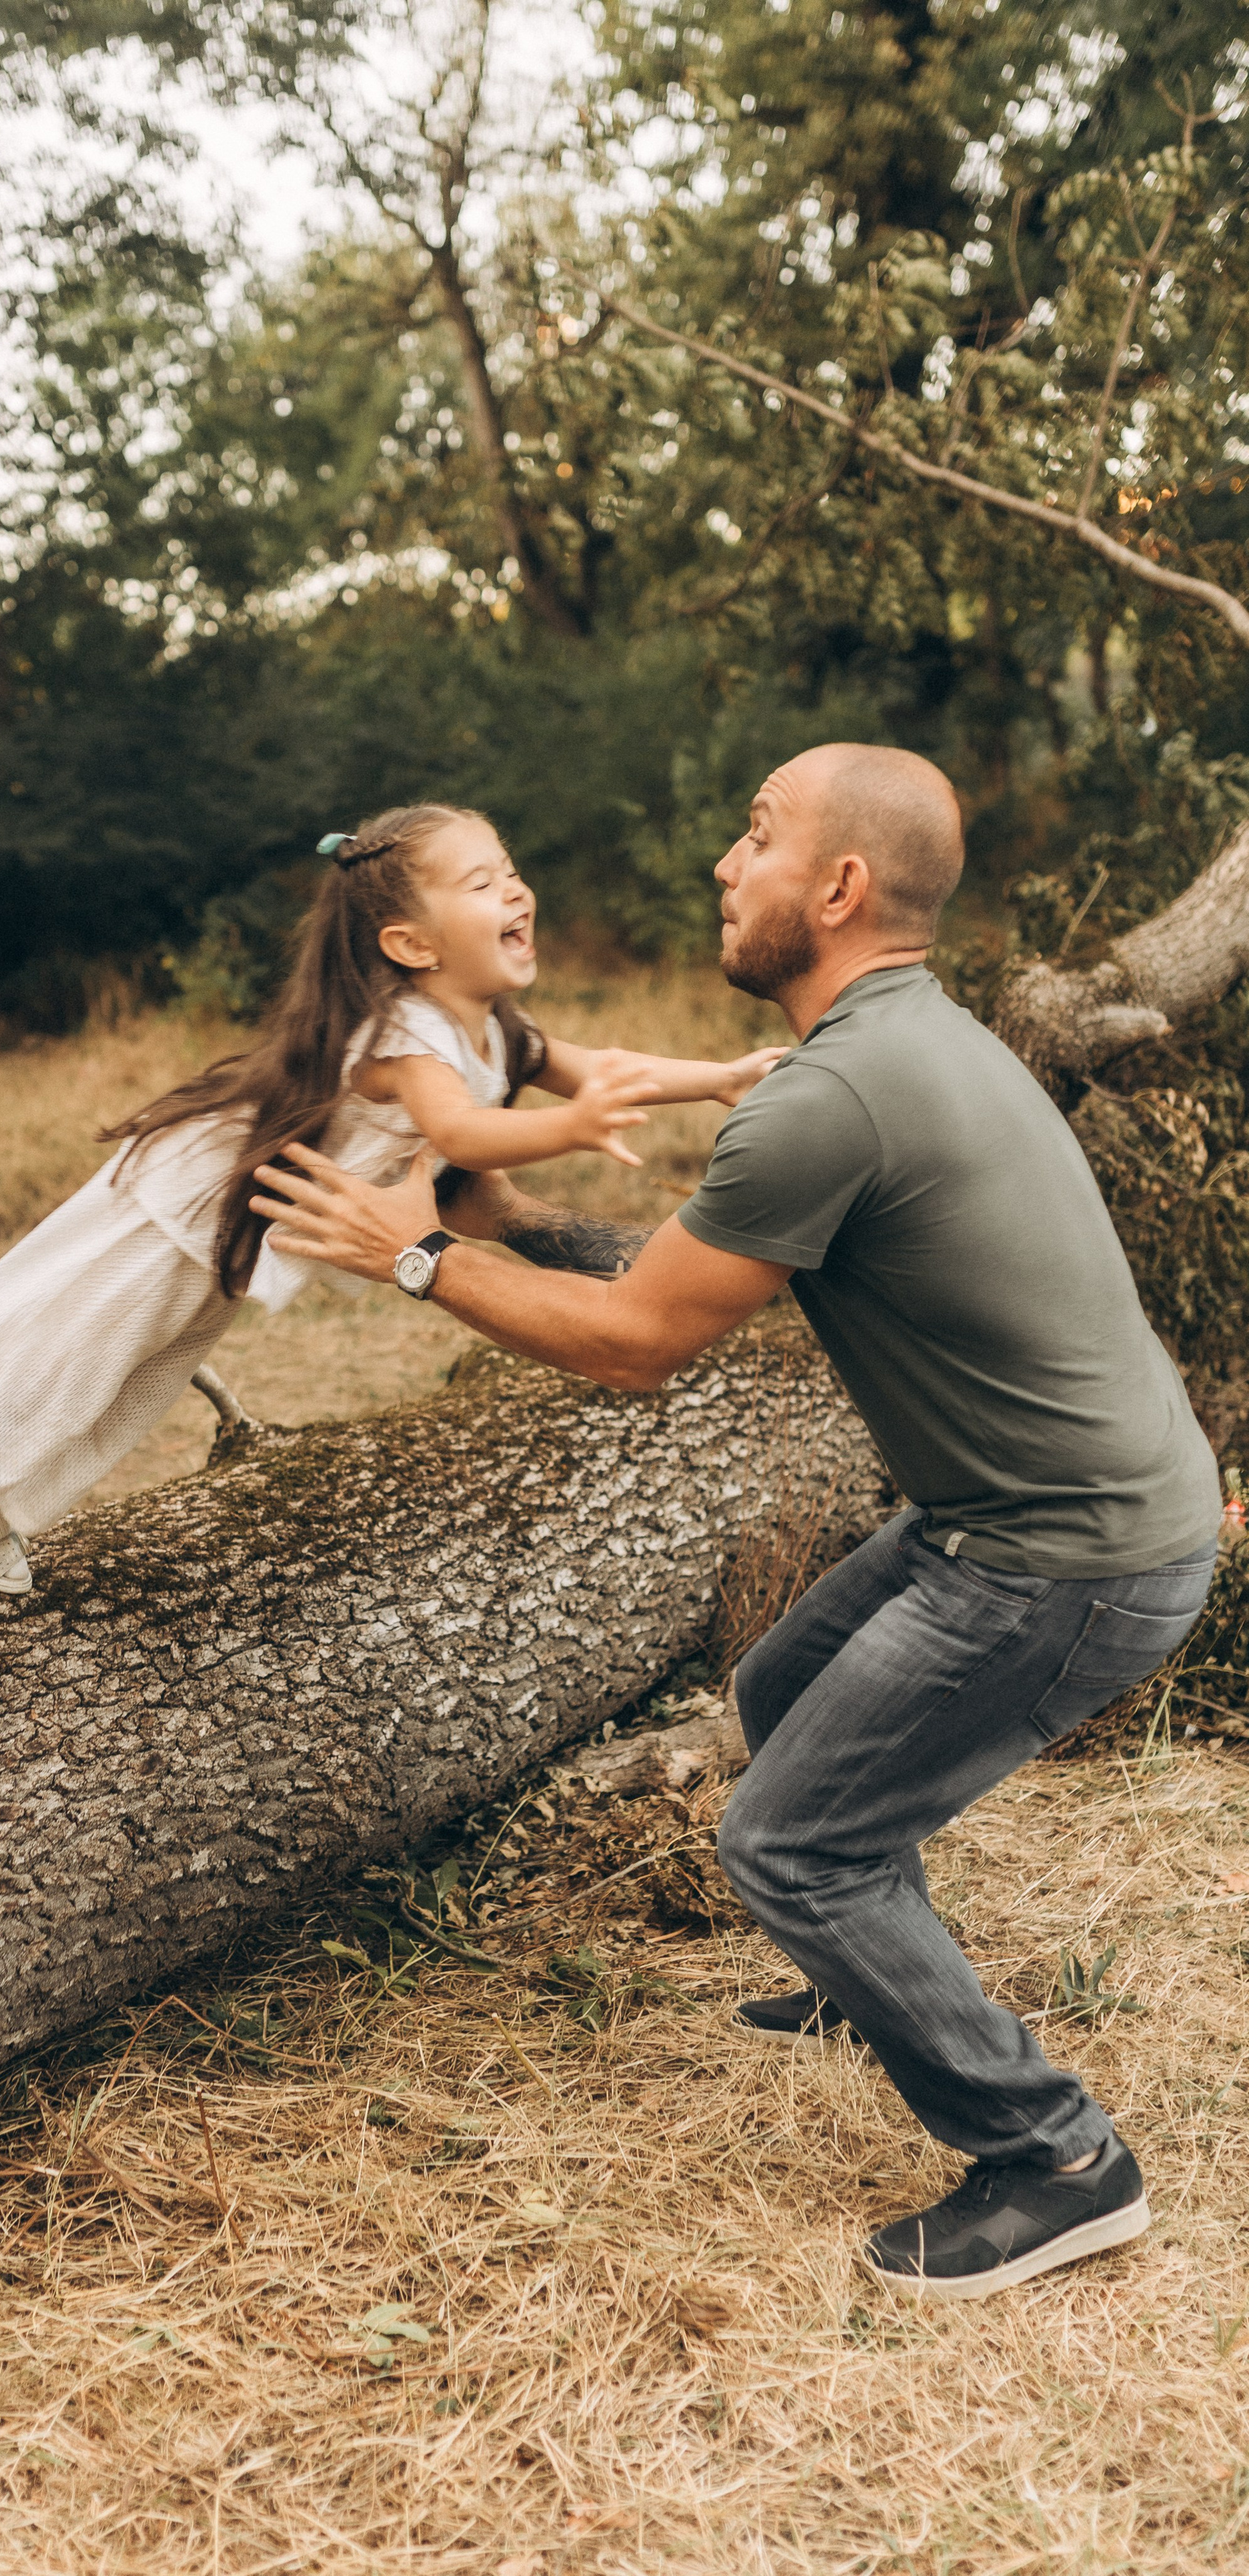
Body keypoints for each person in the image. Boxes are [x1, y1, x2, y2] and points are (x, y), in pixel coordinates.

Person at [249, 743, 1221, 2302]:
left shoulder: (832, 1092)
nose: (722, 861)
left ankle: (1053, 2162)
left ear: (835, 888)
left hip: (1068, 1558)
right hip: (1039, 1511)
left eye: (754, 837)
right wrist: (507, 1223)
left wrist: (413, 1257)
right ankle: (873, 1973)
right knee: (776, 1697)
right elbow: (692, 1261)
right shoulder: (894, 1047)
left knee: (787, 1847)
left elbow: (636, 1344)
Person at [0, 800, 783, 1606]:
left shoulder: (496, 1023)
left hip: (254, 1226)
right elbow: (458, 1134)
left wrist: (717, 1078)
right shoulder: (410, 1031)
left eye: (511, 874)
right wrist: (573, 1127)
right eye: (482, 884)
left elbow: (609, 1068)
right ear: (410, 945)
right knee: (71, 1346)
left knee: (138, 1374)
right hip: (194, 1196)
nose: (515, 893)